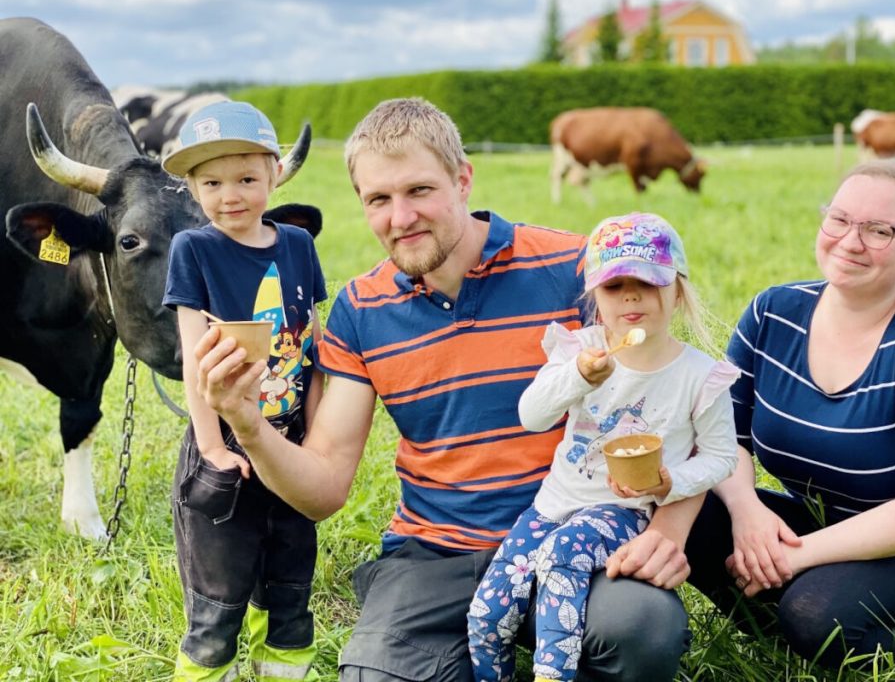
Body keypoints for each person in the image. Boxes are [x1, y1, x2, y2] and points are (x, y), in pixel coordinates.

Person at [191, 97, 697, 682]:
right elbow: (325, 487)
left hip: (571, 535)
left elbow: (682, 398)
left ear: (463, 180)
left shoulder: (575, 267)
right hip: (435, 552)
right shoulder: (361, 309)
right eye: (378, 200)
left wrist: (669, 528)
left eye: (419, 191)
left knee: (641, 630)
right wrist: (247, 424)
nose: (400, 217)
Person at [685, 158, 895, 668]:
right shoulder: (774, 312)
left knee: (816, 615)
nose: (851, 241)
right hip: (827, 524)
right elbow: (722, 437)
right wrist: (748, 517)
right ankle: (789, 629)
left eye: (879, 230)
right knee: (689, 508)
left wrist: (794, 557)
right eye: (839, 219)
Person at [467, 212, 739, 682]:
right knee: (487, 615)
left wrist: (671, 481)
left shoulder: (699, 377)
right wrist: (576, 378)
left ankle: (554, 674)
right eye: (614, 286)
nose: (631, 296)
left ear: (677, 289)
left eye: (647, 282)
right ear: (595, 296)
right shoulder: (578, 350)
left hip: (624, 509)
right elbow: (532, 416)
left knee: (562, 555)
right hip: (551, 506)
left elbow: (722, 458)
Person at [162, 101, 328, 681]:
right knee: (220, 583)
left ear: (275, 174)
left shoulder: (298, 247)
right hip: (226, 441)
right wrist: (211, 448)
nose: (230, 195)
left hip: (289, 442)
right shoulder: (195, 250)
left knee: (289, 572)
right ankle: (211, 668)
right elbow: (191, 359)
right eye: (211, 182)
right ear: (190, 187)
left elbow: (309, 346)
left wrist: (315, 439)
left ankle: (281, 665)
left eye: (247, 179)